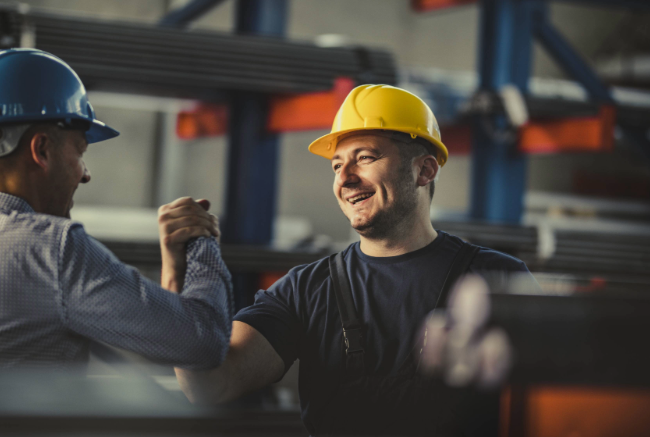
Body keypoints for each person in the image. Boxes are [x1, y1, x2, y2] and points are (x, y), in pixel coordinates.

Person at [172, 85, 535, 435]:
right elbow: (209, 385)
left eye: (365, 157)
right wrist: (178, 272)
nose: (345, 179)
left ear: (424, 170)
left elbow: (551, 403)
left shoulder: (498, 279)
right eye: (336, 165)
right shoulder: (304, 290)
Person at [0, 48, 233, 370]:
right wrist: (200, 239)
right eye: (80, 152)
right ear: (41, 149)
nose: (85, 173)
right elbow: (204, 341)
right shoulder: (50, 249)